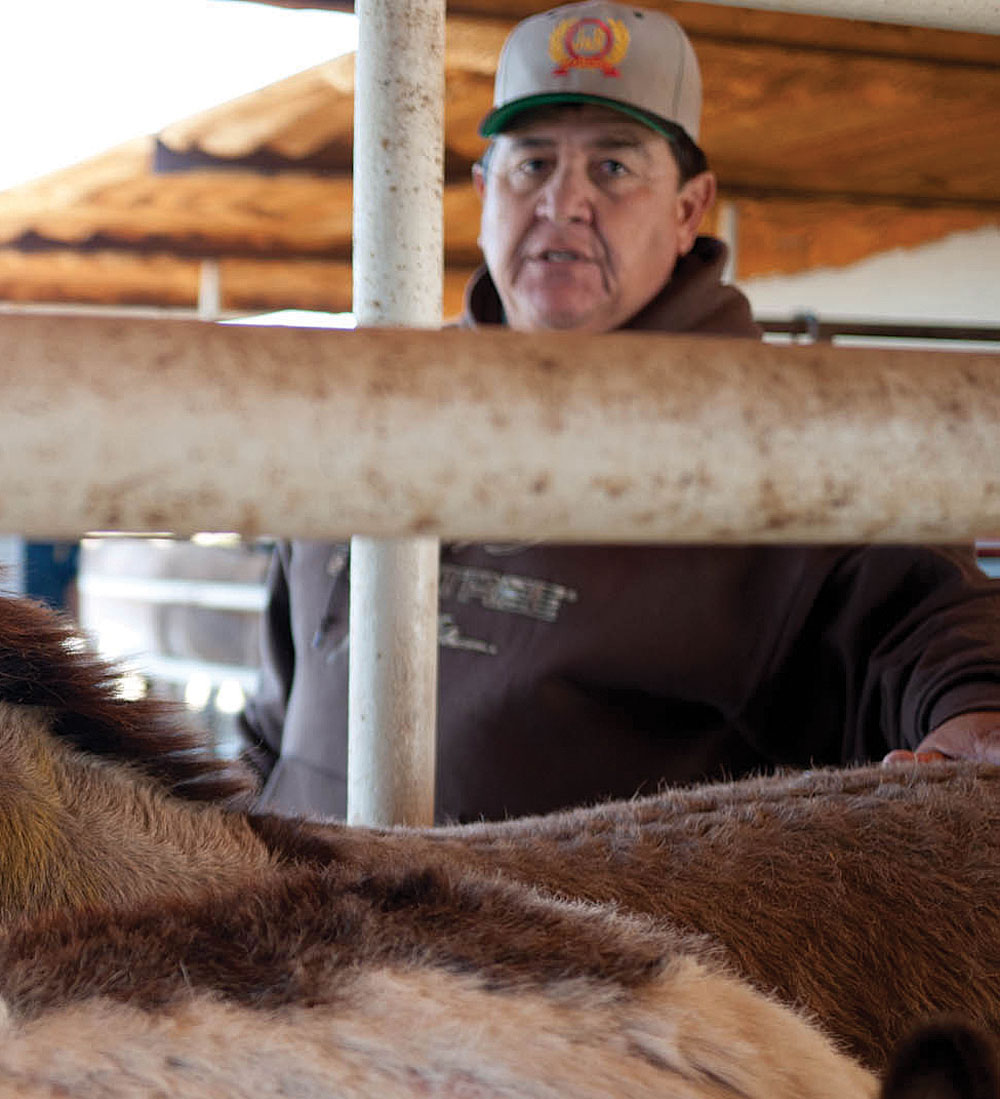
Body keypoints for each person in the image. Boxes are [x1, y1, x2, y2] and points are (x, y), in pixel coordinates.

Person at [242, 1, 1000, 823]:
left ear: (687, 210)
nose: (563, 202)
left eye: (613, 168)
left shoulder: (788, 433)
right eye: (532, 164)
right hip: (307, 929)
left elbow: (930, 617)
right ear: (483, 190)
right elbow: (274, 720)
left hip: (572, 944)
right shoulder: (379, 404)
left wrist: (973, 710)